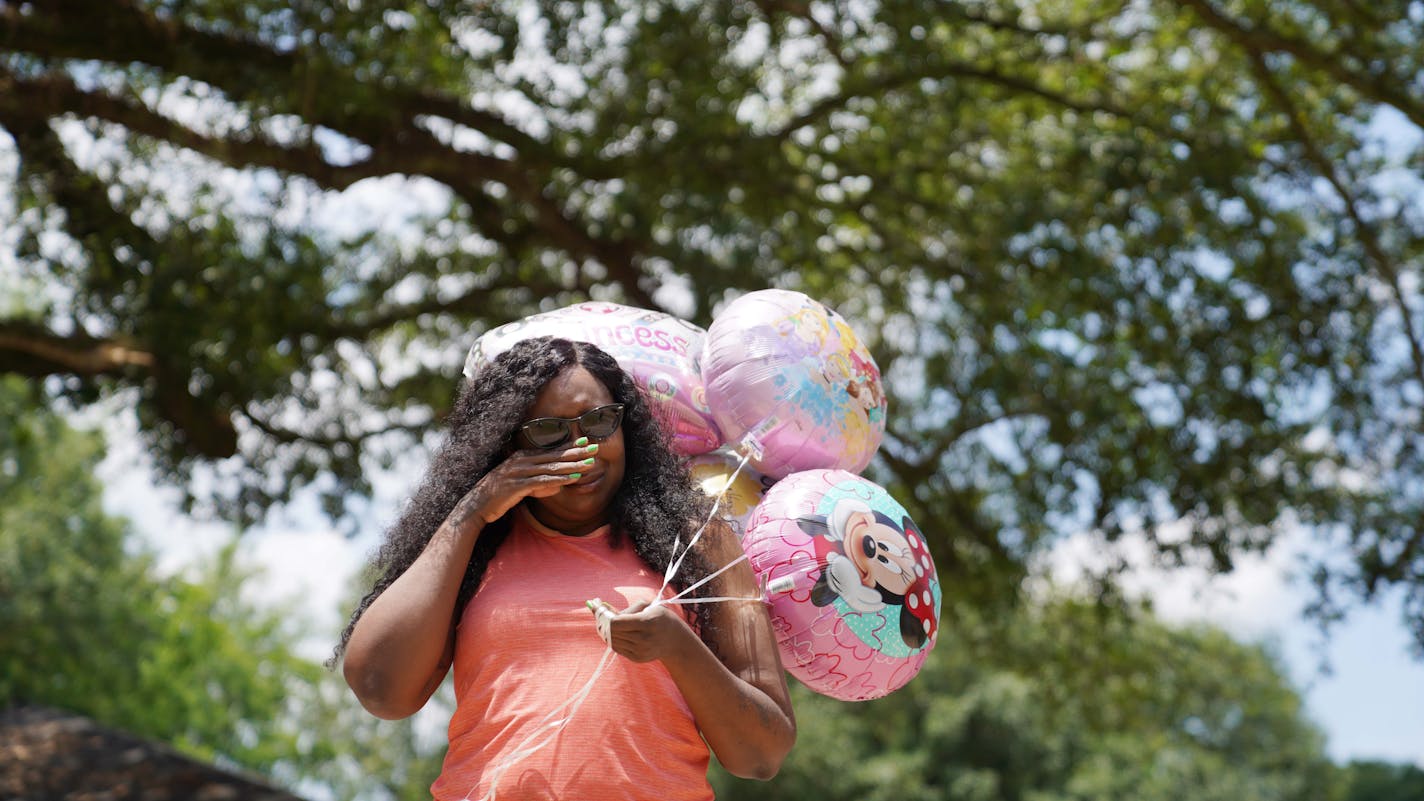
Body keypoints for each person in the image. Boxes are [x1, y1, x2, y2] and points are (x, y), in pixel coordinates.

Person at [333, 336, 796, 800]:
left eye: (598, 422)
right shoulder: (475, 546)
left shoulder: (700, 541)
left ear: (627, 425)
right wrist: (471, 511)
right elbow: (380, 688)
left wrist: (678, 647)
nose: (583, 450)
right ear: (505, 444)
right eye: (549, 432)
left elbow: (762, 753)